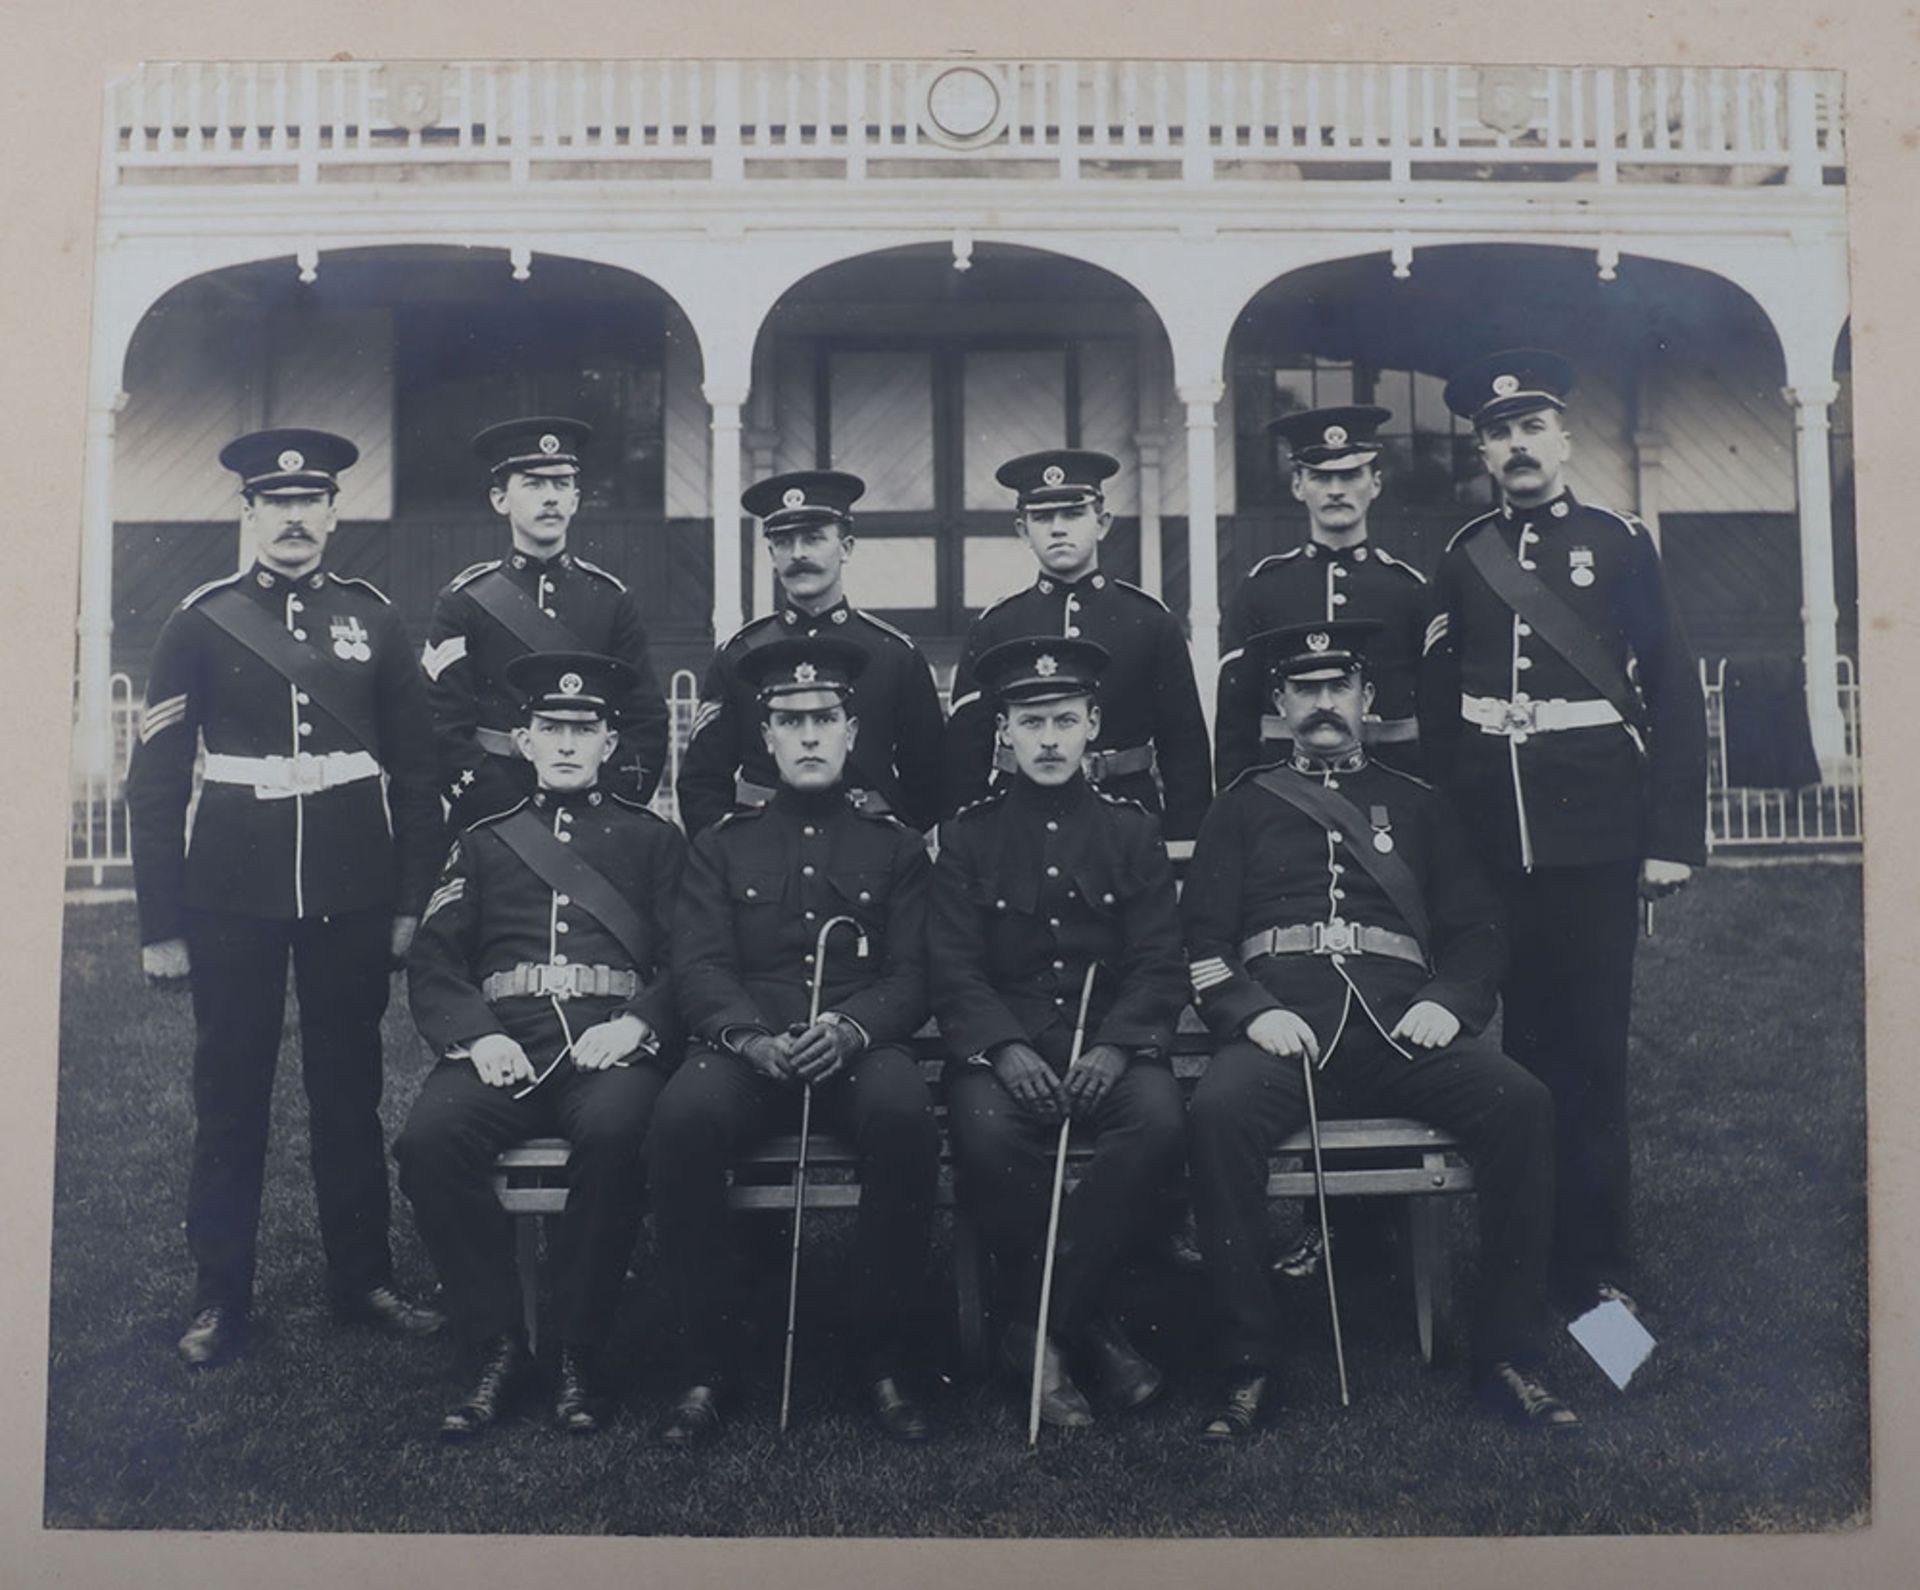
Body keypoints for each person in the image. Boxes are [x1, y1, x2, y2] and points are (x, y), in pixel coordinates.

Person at [1183, 620, 1577, 1438]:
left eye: (1339, 689)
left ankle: (1510, 1355)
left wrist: (1453, 1002)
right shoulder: (1241, 806)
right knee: (1217, 1115)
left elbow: (1480, 932)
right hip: (1284, 1031)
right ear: (1281, 703)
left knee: (1524, 1103)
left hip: (1406, 1030)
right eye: (1305, 689)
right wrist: (1253, 1012)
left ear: (1367, 699)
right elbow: (1206, 944)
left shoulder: (1424, 806)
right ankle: (1249, 1363)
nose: (1323, 704)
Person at [127, 428, 446, 1368]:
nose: (297, 518)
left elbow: (419, 773)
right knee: (231, 1098)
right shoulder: (200, 620)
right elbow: (154, 784)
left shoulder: (376, 620)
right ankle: (220, 1297)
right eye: (278, 502)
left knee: (348, 1094)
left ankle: (364, 1283)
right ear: (250, 513)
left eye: (313, 503)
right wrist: (161, 928)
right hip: (231, 895)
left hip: (352, 889)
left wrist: (408, 904)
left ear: (335, 513)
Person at [1421, 350, 1707, 1317]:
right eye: (1498, 433)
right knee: (1516, 1060)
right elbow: (1437, 715)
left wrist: (1670, 838)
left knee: (1591, 1056)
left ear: (1564, 438)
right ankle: (1529, 1249)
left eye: (1531, 426)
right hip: (1496, 853)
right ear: (1482, 451)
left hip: (1594, 848)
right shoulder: (1464, 558)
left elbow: (1670, 690)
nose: (1516, 445)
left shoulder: (1619, 543)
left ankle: (1596, 1266)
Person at [648, 634, 943, 1447]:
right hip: (750, 1049)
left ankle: (879, 1358)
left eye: (824, 718)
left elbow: (915, 977)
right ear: (765, 737)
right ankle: (705, 1364)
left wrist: (852, 1029)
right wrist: (746, 1038)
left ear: (852, 731)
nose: (809, 735)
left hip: (855, 1046)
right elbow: (697, 966)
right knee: (683, 1119)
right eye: (789, 720)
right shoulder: (719, 845)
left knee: (904, 1116)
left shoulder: (897, 847)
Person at [395, 652, 686, 1440]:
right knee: (428, 1143)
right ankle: (497, 1345)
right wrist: (476, 1036)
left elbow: (689, 958)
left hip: (611, 1048)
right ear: (522, 741)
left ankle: (578, 1352)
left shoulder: (653, 842)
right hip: (506, 1049)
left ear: (608, 743)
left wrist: (639, 1025)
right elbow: (435, 959)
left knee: (620, 1132)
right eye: (549, 729)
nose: (565, 744)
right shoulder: (486, 842)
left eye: (581, 730)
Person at [931, 637, 1187, 1427]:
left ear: (1092, 726)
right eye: (1030, 721)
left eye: (1065, 720)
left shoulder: (1130, 832)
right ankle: (1096, 1330)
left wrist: (1115, 1047)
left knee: (1156, 1125)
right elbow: (953, 966)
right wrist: (1004, 1050)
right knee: (986, 1140)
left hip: (1107, 1042)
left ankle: (1040, 1330)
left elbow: (1156, 962)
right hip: (1003, 1046)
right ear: (1002, 731)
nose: (1048, 739)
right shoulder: (968, 838)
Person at [944, 449, 1212, 839]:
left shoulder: (1151, 622)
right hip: (1018, 825)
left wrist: (1185, 843)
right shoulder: (995, 627)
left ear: (1101, 523)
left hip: (1127, 821)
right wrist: (964, 842)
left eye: (1072, 514)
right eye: (1042, 517)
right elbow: (965, 756)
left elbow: (1184, 747)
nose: (1057, 528)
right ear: (1023, 530)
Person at [420, 416, 671, 827]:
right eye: (533, 484)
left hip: (595, 817)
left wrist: (602, 804)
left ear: (576, 499)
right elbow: (442, 727)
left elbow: (645, 720)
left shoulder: (610, 600)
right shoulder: (463, 602)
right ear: (500, 500)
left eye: (561, 484)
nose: (550, 498)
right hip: (493, 818)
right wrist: (511, 814)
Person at [677, 468, 947, 837]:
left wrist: (891, 849)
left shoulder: (895, 655)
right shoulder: (738, 656)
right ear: (771, 554)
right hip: (761, 852)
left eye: (814, 538)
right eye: (785, 542)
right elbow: (701, 782)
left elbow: (930, 780)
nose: (799, 553)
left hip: (868, 855)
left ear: (846, 547)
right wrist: (732, 853)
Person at [1215, 405, 1429, 786]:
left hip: (1393, 789)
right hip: (1284, 793)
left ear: (1375, 483)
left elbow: (1435, 712)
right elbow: (1236, 719)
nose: (1335, 490)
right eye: (1320, 476)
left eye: (1350, 475)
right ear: (1298, 485)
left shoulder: (1409, 591)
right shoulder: (1262, 589)